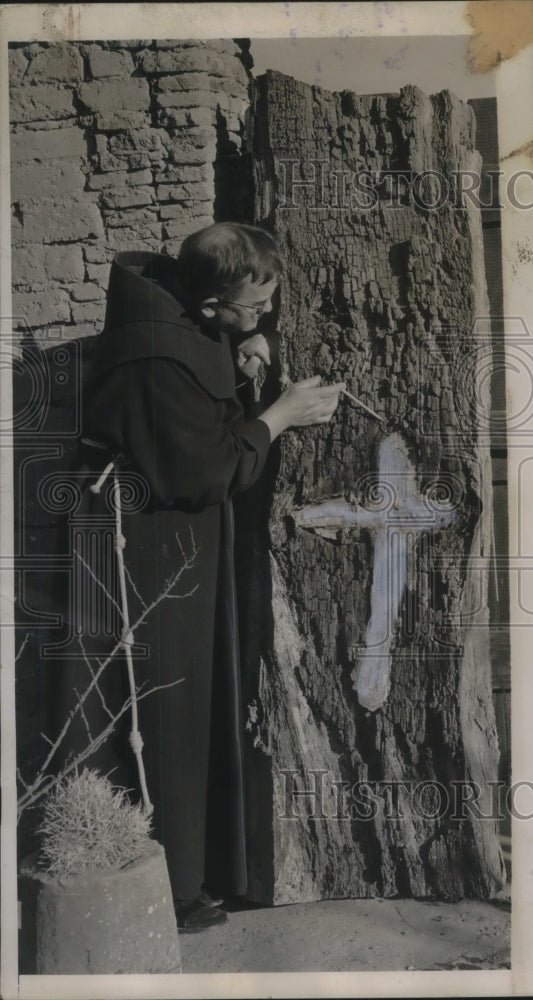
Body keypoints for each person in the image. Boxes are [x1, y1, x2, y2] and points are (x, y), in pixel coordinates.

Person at [58, 222, 344, 931]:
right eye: (252, 310)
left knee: (189, 704)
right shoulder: (155, 356)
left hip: (172, 541)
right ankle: (168, 887)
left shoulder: (181, 317)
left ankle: (198, 868)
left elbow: (205, 375)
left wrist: (240, 346)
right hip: (143, 549)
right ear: (210, 302)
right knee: (164, 712)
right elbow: (203, 469)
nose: (263, 320)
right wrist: (277, 416)